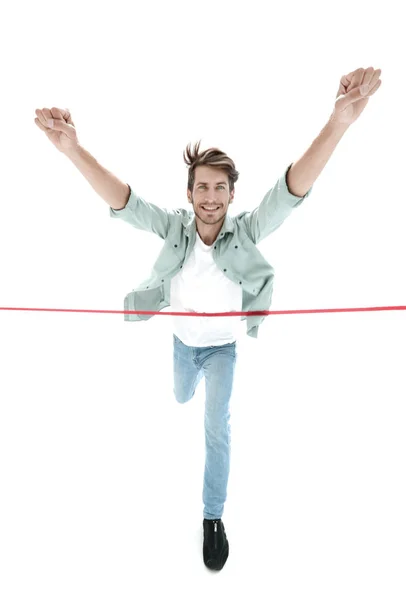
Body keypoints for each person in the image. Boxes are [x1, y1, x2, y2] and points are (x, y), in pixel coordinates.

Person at [34, 65, 382, 571]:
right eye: (202, 187)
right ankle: (185, 378)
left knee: (215, 427)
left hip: (221, 348)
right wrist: (72, 150)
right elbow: (125, 202)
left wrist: (339, 123)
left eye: (221, 188)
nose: (211, 197)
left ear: (232, 195)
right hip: (181, 343)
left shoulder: (245, 231)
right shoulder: (173, 228)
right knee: (179, 394)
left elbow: (288, 194)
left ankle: (212, 517)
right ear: (190, 193)